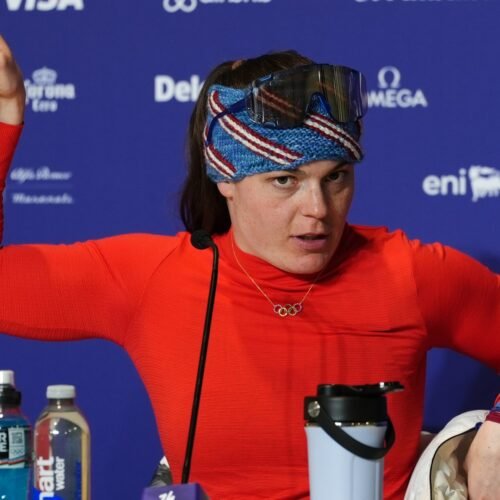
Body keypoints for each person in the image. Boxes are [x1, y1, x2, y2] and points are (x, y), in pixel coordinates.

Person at [0, 35, 499, 499]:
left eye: (336, 177)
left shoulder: (407, 273)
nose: (318, 209)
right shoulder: (154, 279)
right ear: (226, 179)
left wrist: (495, 434)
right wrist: (4, 121)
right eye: (285, 180)